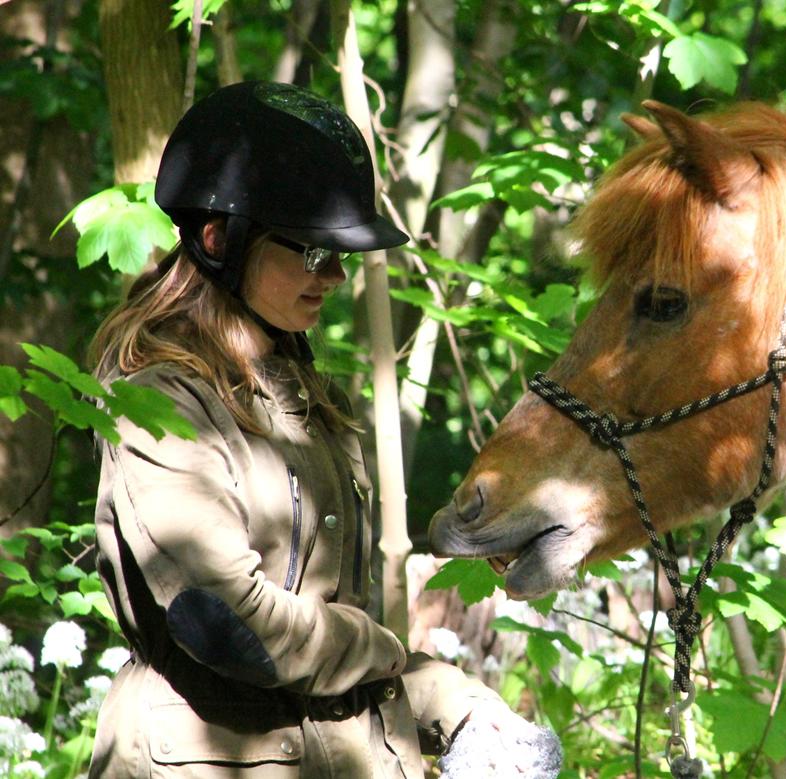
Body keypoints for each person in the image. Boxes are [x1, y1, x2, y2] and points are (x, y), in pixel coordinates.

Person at [87, 81, 561, 778]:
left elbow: (325, 640)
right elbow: (229, 626)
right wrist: (393, 655)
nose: (335, 275)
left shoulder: (308, 397)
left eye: (340, 254)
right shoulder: (158, 403)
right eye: (311, 252)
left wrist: (457, 707)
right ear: (219, 238)